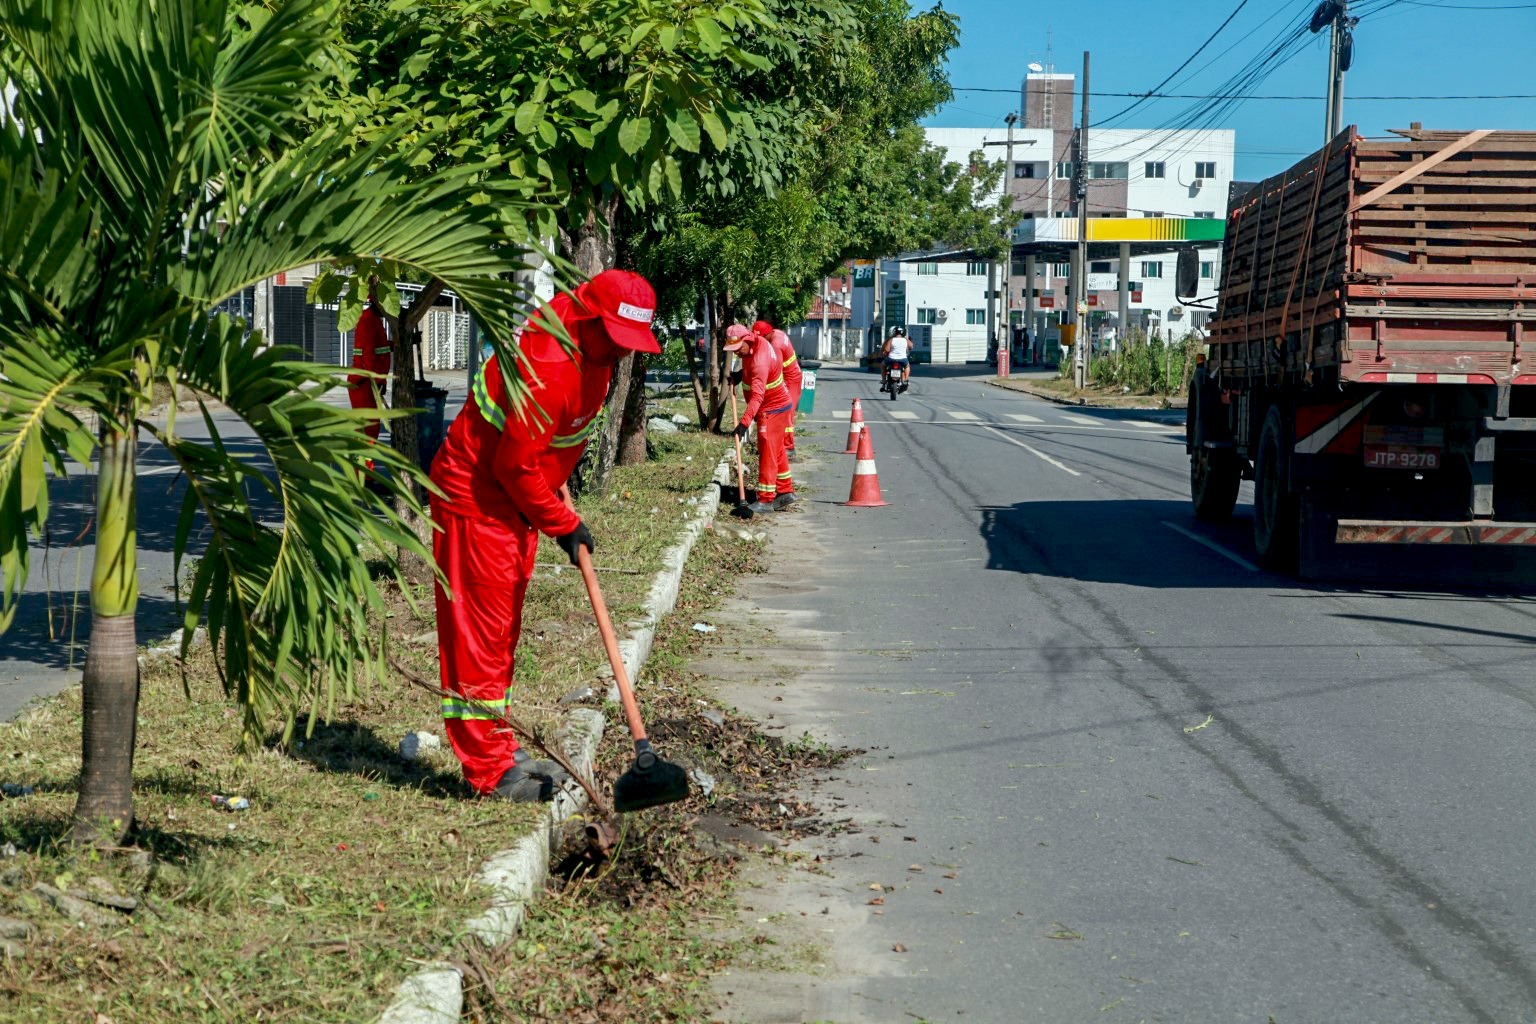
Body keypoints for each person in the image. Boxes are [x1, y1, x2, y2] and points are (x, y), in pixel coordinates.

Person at [428, 269, 662, 801]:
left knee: (501, 631)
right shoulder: (550, 363)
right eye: (616, 341)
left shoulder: (592, 350)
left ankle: (499, 745)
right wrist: (563, 523)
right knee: (479, 639)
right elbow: (514, 465)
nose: (623, 355)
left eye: (632, 345)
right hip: (478, 501)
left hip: (519, 501)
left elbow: (544, 446)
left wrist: (553, 499)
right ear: (589, 319)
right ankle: (488, 773)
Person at [724, 323, 794, 513]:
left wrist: (744, 423)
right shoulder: (757, 344)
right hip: (774, 407)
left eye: (738, 348)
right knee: (776, 450)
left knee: (768, 453)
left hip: (772, 409)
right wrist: (740, 375)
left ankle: (766, 499)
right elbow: (752, 368)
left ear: (746, 340)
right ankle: (785, 491)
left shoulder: (759, 361)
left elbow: (757, 396)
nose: (737, 353)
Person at [347, 298, 391, 469]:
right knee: (367, 431)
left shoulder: (374, 320)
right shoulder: (367, 320)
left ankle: (365, 475)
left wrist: (402, 343)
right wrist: (379, 380)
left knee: (370, 430)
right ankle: (363, 477)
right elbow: (368, 356)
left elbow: (380, 347)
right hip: (363, 383)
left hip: (366, 382)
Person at [764, 326, 802, 460]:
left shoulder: (776, 344)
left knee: (786, 414)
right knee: (785, 413)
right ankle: (781, 444)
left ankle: (788, 448)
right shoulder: (778, 333)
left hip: (790, 379)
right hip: (792, 377)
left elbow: (776, 368)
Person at [881, 326, 912, 391]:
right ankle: (906, 380)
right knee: (907, 366)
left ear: (894, 332)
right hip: (903, 360)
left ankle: (884, 380)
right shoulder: (905, 340)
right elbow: (911, 346)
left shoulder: (891, 340)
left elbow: (886, 350)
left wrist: (885, 353)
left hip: (891, 359)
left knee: (883, 365)